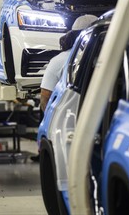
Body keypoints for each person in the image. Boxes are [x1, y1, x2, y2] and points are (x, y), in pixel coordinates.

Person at [31, 14, 98, 162]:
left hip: (68, 124)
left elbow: (45, 98)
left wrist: (55, 121)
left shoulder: (58, 61)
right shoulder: (107, 58)